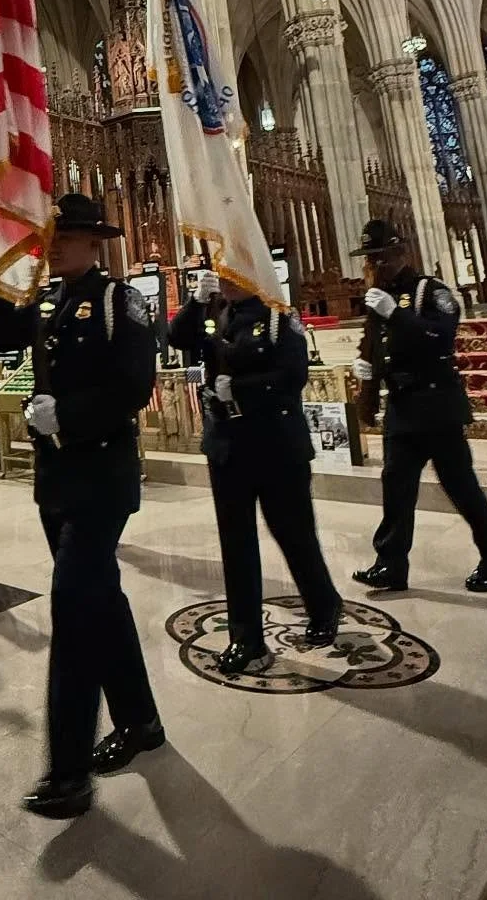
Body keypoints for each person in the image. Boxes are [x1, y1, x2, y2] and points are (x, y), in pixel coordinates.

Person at [0, 194, 162, 821]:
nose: (55, 244)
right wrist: (11, 270)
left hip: (102, 474)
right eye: (50, 236)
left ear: (94, 241)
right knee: (99, 599)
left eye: (66, 235)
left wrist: (73, 417)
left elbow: (135, 385)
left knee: (74, 607)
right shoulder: (46, 301)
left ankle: (68, 771)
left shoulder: (120, 301)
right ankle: (140, 721)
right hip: (57, 478)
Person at [169, 270, 342, 675]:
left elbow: (294, 374)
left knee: (294, 533)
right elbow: (177, 339)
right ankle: (245, 637)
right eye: (222, 269)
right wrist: (195, 301)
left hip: (276, 444)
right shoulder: (212, 311)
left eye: (235, 269)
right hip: (227, 445)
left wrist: (243, 390)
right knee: (236, 541)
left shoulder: (280, 315)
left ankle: (323, 603)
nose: (226, 277)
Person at [348, 219, 487, 594]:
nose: (378, 265)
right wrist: (369, 371)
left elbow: (440, 337)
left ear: (401, 252)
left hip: (437, 406)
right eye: (372, 259)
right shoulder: (380, 295)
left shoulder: (430, 291)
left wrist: (396, 313)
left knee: (461, 488)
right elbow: (376, 344)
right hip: (403, 408)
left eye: (384, 257)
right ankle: (390, 563)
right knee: (396, 486)